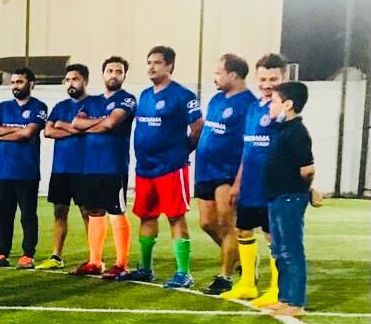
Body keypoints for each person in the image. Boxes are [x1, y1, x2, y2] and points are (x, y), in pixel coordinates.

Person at [118, 46, 204, 289]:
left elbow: (198, 127)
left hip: (171, 167)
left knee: (175, 217)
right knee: (147, 216)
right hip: (145, 168)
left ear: (169, 66)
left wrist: (182, 151)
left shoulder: (183, 95)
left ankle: (184, 272)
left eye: (157, 62)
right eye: (149, 62)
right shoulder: (145, 95)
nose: (151, 67)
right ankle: (145, 269)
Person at [223, 53, 288, 304]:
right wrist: (238, 183)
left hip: (272, 185)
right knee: (243, 229)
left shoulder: (284, 110)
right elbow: (247, 149)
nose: (267, 84)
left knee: (273, 236)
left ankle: (276, 289)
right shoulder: (253, 108)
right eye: (263, 79)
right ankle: (248, 284)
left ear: (283, 78)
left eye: (273, 79)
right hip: (249, 184)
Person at [67, 56, 137, 277]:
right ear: (103, 74)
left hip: (114, 166)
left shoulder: (127, 99)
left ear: (124, 76)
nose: (114, 75)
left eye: (118, 71)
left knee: (116, 212)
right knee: (94, 212)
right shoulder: (92, 101)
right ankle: (95, 262)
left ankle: (121, 264)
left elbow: (112, 123)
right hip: (91, 166)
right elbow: (76, 123)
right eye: (110, 71)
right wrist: (102, 123)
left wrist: (93, 125)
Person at [194, 53, 256, 294]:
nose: (215, 78)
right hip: (205, 170)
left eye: (218, 73)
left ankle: (225, 277)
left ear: (233, 74)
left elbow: (249, 145)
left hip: (227, 172)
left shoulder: (249, 104)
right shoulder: (217, 100)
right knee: (207, 223)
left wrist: (240, 180)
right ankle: (244, 260)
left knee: (227, 224)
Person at [260, 82, 315, 316]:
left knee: (291, 250)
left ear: (288, 104)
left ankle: (296, 302)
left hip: (289, 198)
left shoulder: (297, 132)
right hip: (277, 196)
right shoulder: (282, 130)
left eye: (274, 101)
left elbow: (307, 169)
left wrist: (307, 190)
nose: (269, 106)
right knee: (280, 251)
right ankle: (284, 299)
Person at [0, 67, 48, 269]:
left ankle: (28, 254)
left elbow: (27, 134)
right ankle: (2, 253)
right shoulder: (3, 107)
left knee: (27, 215)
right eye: (13, 82)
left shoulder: (39, 106)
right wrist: (15, 130)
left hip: (26, 171)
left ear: (31, 84)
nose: (15, 86)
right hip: (2, 170)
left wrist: (2, 133)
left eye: (19, 82)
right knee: (4, 216)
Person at [37, 64, 91, 271]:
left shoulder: (94, 104)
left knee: (87, 213)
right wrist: (75, 129)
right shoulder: (60, 106)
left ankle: (94, 257)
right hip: (60, 169)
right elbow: (48, 132)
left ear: (85, 80)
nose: (70, 83)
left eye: (75, 79)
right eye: (67, 80)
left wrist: (62, 125)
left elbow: (91, 130)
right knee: (59, 212)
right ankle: (56, 256)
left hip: (84, 169)